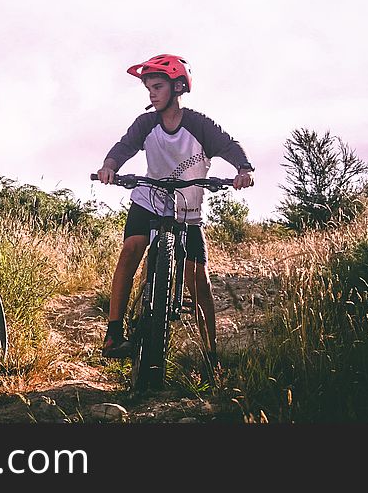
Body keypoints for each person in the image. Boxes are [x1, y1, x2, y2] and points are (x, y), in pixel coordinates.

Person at [95, 54, 254, 369]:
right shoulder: (146, 123)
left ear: (178, 86)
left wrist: (244, 169)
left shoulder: (198, 124)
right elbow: (123, 147)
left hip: (187, 208)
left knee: (199, 280)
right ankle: (114, 333)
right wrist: (109, 167)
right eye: (148, 88)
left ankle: (210, 354)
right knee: (131, 248)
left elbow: (230, 146)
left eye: (157, 86)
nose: (151, 94)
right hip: (149, 199)